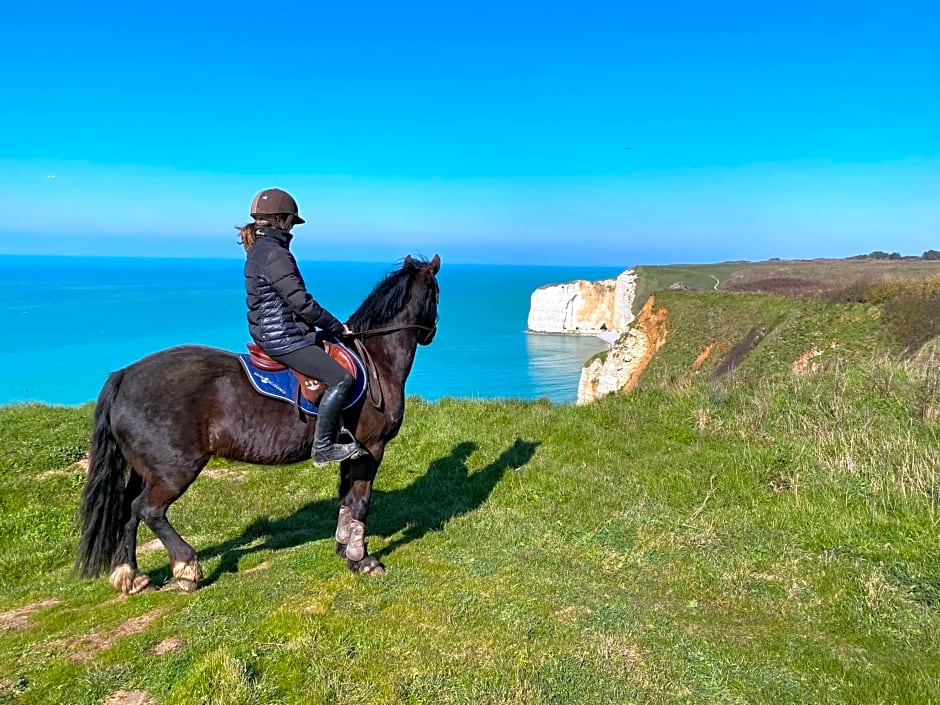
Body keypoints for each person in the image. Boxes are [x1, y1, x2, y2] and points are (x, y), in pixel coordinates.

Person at [239, 187, 360, 466]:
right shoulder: (276, 255)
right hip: (284, 338)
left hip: (271, 332)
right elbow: (302, 304)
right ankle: (324, 448)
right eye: (292, 222)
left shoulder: (259, 250)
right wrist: (337, 327)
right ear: (281, 219)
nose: (293, 228)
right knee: (341, 378)